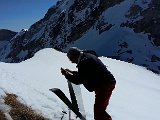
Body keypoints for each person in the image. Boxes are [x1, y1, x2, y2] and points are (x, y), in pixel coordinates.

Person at [61, 47, 116, 120]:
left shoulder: (84, 62)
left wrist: (66, 75)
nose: (71, 61)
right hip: (104, 83)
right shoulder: (87, 57)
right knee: (99, 109)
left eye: (71, 59)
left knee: (99, 110)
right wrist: (72, 72)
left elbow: (79, 80)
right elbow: (85, 74)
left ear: (75, 55)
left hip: (104, 85)